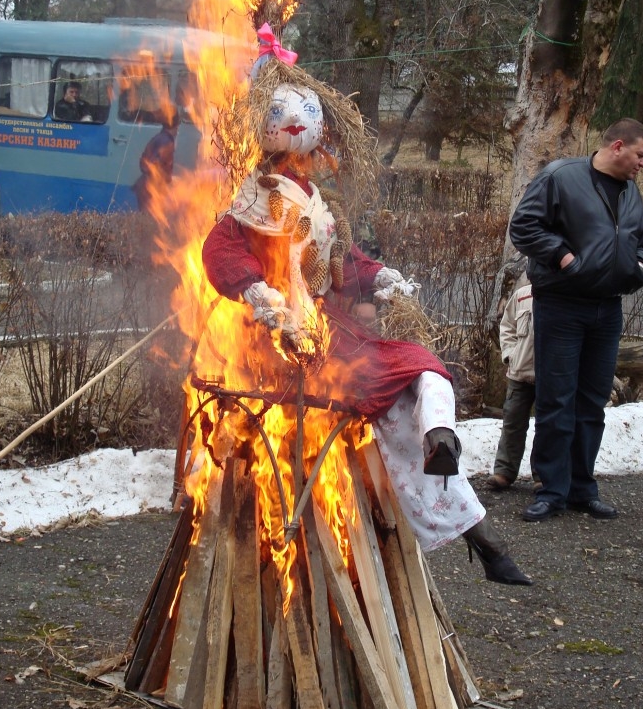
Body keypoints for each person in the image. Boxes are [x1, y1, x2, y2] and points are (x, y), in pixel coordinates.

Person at [201, 79, 531, 585]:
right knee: (395, 413)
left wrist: (380, 277)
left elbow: (342, 265)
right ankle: (483, 541)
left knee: (425, 370)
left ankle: (441, 439)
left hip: (330, 332)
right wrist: (256, 292)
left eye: (310, 154)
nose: (310, 163)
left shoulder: (317, 203)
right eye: (304, 155)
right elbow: (221, 250)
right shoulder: (254, 200)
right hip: (282, 344)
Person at [508, 118, 643, 522]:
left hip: (608, 308)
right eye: (640, 155)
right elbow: (523, 225)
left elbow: (641, 240)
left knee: (592, 401)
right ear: (619, 146)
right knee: (557, 398)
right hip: (562, 304)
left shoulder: (630, 193)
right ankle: (551, 490)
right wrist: (563, 257)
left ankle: (581, 488)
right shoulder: (560, 177)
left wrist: (641, 267)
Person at [488, 272, 541, 492]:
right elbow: (507, 327)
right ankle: (504, 471)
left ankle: (542, 475)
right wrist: (510, 354)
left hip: (549, 375)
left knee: (547, 425)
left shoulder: (561, 299)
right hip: (519, 372)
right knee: (513, 422)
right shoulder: (521, 296)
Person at [133, 111, 180, 211]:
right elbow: (158, 165)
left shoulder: (159, 137)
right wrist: (166, 180)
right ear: (175, 127)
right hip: (151, 188)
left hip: (145, 186)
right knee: (151, 219)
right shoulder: (167, 143)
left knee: (145, 219)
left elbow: (144, 162)